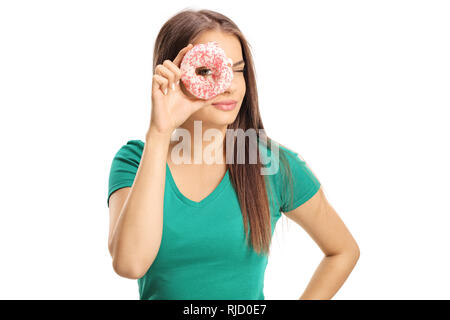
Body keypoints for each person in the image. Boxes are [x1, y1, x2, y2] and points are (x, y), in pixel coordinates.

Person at [106, 9, 359, 300]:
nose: (229, 85)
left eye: (237, 70)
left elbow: (343, 250)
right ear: (173, 74)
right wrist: (159, 133)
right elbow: (130, 264)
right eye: (205, 71)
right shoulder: (135, 160)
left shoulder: (269, 163)